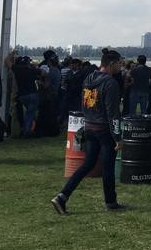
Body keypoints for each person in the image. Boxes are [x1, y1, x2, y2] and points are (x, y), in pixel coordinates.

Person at [50, 48, 127, 214]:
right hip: (104, 129)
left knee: (87, 165)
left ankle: (63, 196)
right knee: (108, 167)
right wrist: (118, 137)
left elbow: (85, 103)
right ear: (112, 64)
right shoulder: (110, 83)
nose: (121, 67)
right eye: (119, 64)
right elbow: (113, 113)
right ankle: (111, 202)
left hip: (89, 126)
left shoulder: (89, 78)